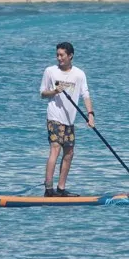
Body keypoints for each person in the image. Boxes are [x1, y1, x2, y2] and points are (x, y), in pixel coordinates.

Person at [39, 41, 93, 197]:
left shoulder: (79, 74)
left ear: (70, 56)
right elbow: (42, 93)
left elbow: (86, 95)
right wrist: (54, 91)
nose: (59, 58)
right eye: (57, 55)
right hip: (54, 117)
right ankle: (49, 190)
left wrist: (91, 115)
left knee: (69, 153)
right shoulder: (50, 71)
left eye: (62, 55)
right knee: (55, 149)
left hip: (70, 120)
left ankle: (61, 189)